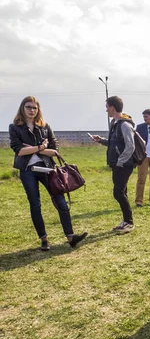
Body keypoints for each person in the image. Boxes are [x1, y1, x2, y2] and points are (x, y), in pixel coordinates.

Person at [9, 96, 88, 251]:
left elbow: (55, 151)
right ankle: (44, 240)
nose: (32, 110)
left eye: (34, 107)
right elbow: (19, 150)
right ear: (22, 109)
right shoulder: (15, 127)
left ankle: (71, 237)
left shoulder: (45, 127)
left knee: (61, 201)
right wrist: (40, 147)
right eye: (28, 107)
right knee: (35, 204)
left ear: (38, 110)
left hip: (47, 169)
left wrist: (36, 149)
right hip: (27, 171)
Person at [89, 96, 136, 234]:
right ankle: (126, 220)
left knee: (118, 192)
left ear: (112, 108)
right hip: (117, 164)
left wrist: (121, 161)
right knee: (122, 192)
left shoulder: (125, 125)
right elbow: (115, 142)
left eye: (107, 107)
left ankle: (129, 222)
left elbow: (130, 146)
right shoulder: (115, 123)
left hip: (124, 164)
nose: (106, 110)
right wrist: (102, 140)